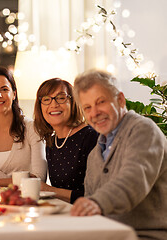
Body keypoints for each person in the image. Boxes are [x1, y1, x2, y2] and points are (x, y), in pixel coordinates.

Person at [70, 69, 167, 240]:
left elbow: (133, 180)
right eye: (87, 107)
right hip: (108, 234)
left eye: (101, 102)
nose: (95, 112)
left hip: (147, 234)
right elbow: (89, 202)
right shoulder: (95, 154)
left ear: (120, 100)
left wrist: (97, 203)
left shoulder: (143, 131)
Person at [0, 67, 47, 186]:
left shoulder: (32, 128)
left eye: (4, 89)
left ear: (14, 94)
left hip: (26, 202)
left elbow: (39, 178)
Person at [33, 78, 98, 203]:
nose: (54, 104)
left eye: (61, 98)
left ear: (73, 102)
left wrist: (48, 189)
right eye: (46, 99)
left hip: (91, 216)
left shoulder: (90, 136)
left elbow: (97, 194)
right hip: (66, 212)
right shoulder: (52, 142)